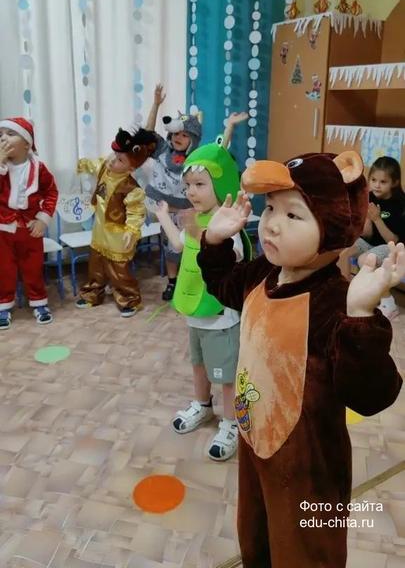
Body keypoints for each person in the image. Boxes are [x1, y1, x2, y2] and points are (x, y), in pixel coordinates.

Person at [197, 150, 403, 567]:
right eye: (272, 208)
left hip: (310, 466)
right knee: (256, 538)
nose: (272, 223)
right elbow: (223, 284)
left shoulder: (335, 302)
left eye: (293, 215)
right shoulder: (263, 274)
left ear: (334, 228)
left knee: (307, 552)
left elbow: (371, 395)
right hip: (255, 440)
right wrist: (215, 242)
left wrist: (361, 314)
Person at [154, 141, 250, 461]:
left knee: (226, 376)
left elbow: (235, 257)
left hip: (221, 317)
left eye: (199, 184)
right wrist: (164, 217)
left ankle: (231, 423)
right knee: (199, 366)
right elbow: (179, 246)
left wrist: (214, 235)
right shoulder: (197, 219)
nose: (191, 192)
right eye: (188, 185)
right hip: (196, 313)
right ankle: (203, 406)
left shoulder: (227, 223)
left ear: (220, 185)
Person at [144, 83, 247, 301]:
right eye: (175, 134)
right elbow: (147, 135)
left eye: (183, 135)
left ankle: (197, 280)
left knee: (189, 250)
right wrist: (155, 104)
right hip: (170, 210)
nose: (177, 138)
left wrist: (229, 126)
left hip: (189, 211)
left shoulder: (197, 160)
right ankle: (173, 282)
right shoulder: (162, 150)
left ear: (193, 138)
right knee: (172, 249)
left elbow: (218, 153)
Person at [75, 125, 157, 317]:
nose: (113, 160)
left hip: (118, 234)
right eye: (114, 154)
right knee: (95, 265)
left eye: (120, 160)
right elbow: (96, 164)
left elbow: (136, 212)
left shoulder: (131, 189)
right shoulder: (106, 167)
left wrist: (131, 230)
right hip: (99, 230)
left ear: (131, 168)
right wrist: (84, 164)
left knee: (119, 271)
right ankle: (93, 293)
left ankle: (129, 299)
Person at [0, 117, 58, 328]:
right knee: (4, 269)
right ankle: (3, 305)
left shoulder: (38, 167)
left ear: (27, 143)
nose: (3, 138)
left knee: (33, 267)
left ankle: (39, 302)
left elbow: (51, 192)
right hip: (3, 229)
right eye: (0, 135)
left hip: (30, 228)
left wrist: (43, 219)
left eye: (10, 134)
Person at [338, 156, 405, 319]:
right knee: (344, 251)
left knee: (365, 260)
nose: (377, 185)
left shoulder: (400, 204)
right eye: (373, 180)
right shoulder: (369, 196)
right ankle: (346, 293)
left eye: (383, 182)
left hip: (392, 248)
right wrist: (365, 218)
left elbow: (393, 241)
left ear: (395, 182)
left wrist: (377, 219)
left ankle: (388, 303)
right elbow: (367, 234)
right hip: (372, 244)